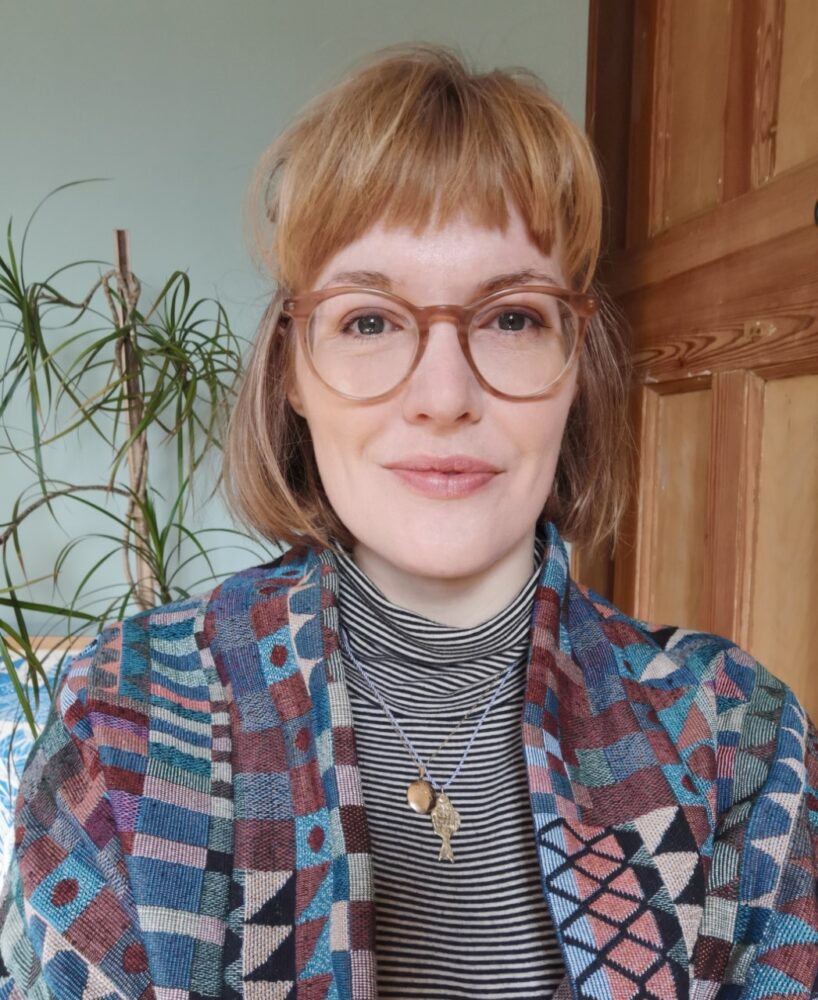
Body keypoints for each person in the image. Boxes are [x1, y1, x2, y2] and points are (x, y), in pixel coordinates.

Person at [0, 42, 816, 1000]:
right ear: (293, 369)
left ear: (576, 363)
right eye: (370, 320)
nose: (443, 395)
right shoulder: (122, 722)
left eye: (510, 318)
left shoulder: (738, 736)